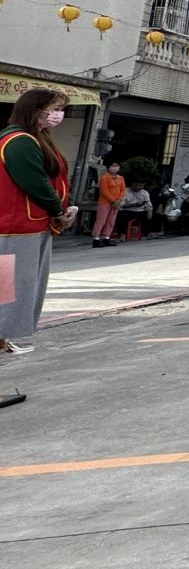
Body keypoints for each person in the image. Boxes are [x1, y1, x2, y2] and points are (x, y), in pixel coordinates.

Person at [2, 90, 79, 369]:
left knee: (19, 286)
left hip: (32, 224)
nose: (58, 114)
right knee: (9, 287)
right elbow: (34, 182)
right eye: (54, 108)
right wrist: (58, 210)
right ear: (36, 109)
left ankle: (3, 337)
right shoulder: (19, 141)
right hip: (15, 226)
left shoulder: (34, 138)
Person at [92, 161, 126, 247]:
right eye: (112, 166)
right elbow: (104, 191)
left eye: (116, 166)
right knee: (101, 220)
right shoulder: (104, 177)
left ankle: (106, 238)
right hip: (105, 202)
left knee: (111, 220)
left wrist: (119, 199)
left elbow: (123, 190)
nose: (114, 168)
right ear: (108, 167)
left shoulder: (121, 178)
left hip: (116, 202)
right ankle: (96, 239)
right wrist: (113, 201)